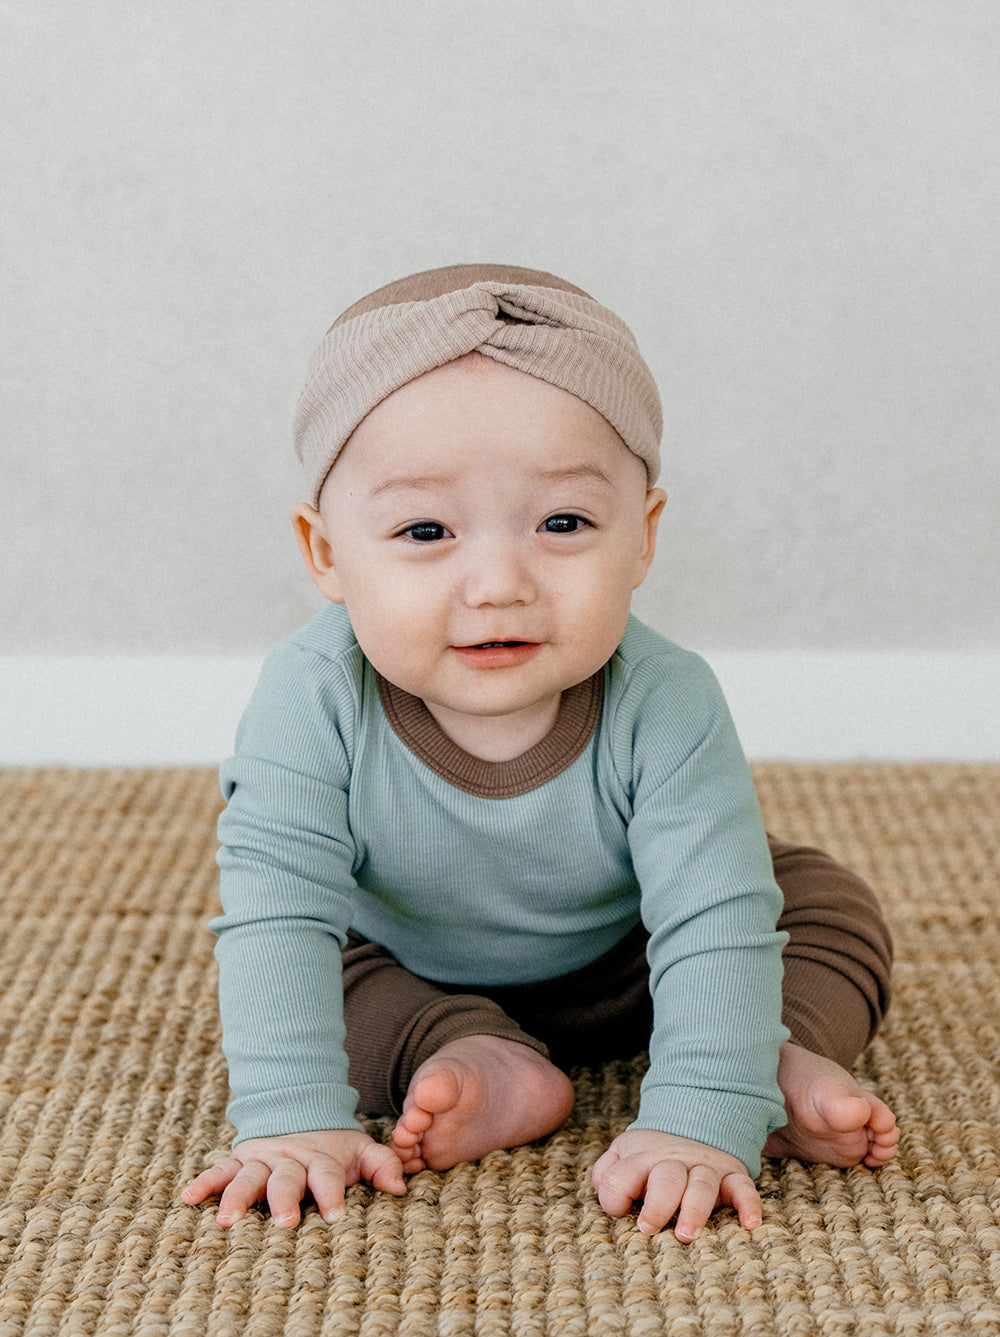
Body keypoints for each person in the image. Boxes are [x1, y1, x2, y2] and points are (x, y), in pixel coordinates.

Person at [182, 262, 898, 1243]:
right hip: (410, 961)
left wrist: (701, 1117)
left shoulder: (666, 696)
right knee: (310, 977)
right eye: (425, 530)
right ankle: (477, 1055)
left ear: (640, 538)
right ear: (326, 555)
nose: (498, 584)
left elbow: (711, 914)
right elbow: (277, 908)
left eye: (562, 523)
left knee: (812, 905)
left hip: (635, 956)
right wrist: (291, 1119)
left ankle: (770, 1055)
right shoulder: (312, 696)